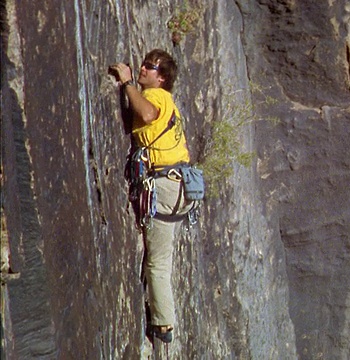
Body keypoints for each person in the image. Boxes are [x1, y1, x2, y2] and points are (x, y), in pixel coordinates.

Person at [110, 49, 192, 343]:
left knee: (157, 261)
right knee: (162, 255)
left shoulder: (157, 97)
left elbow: (145, 113)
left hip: (167, 184)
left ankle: (164, 324)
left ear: (162, 78)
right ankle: (162, 312)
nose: (143, 68)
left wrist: (127, 82)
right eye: (143, 64)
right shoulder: (171, 105)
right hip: (181, 185)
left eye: (150, 67)